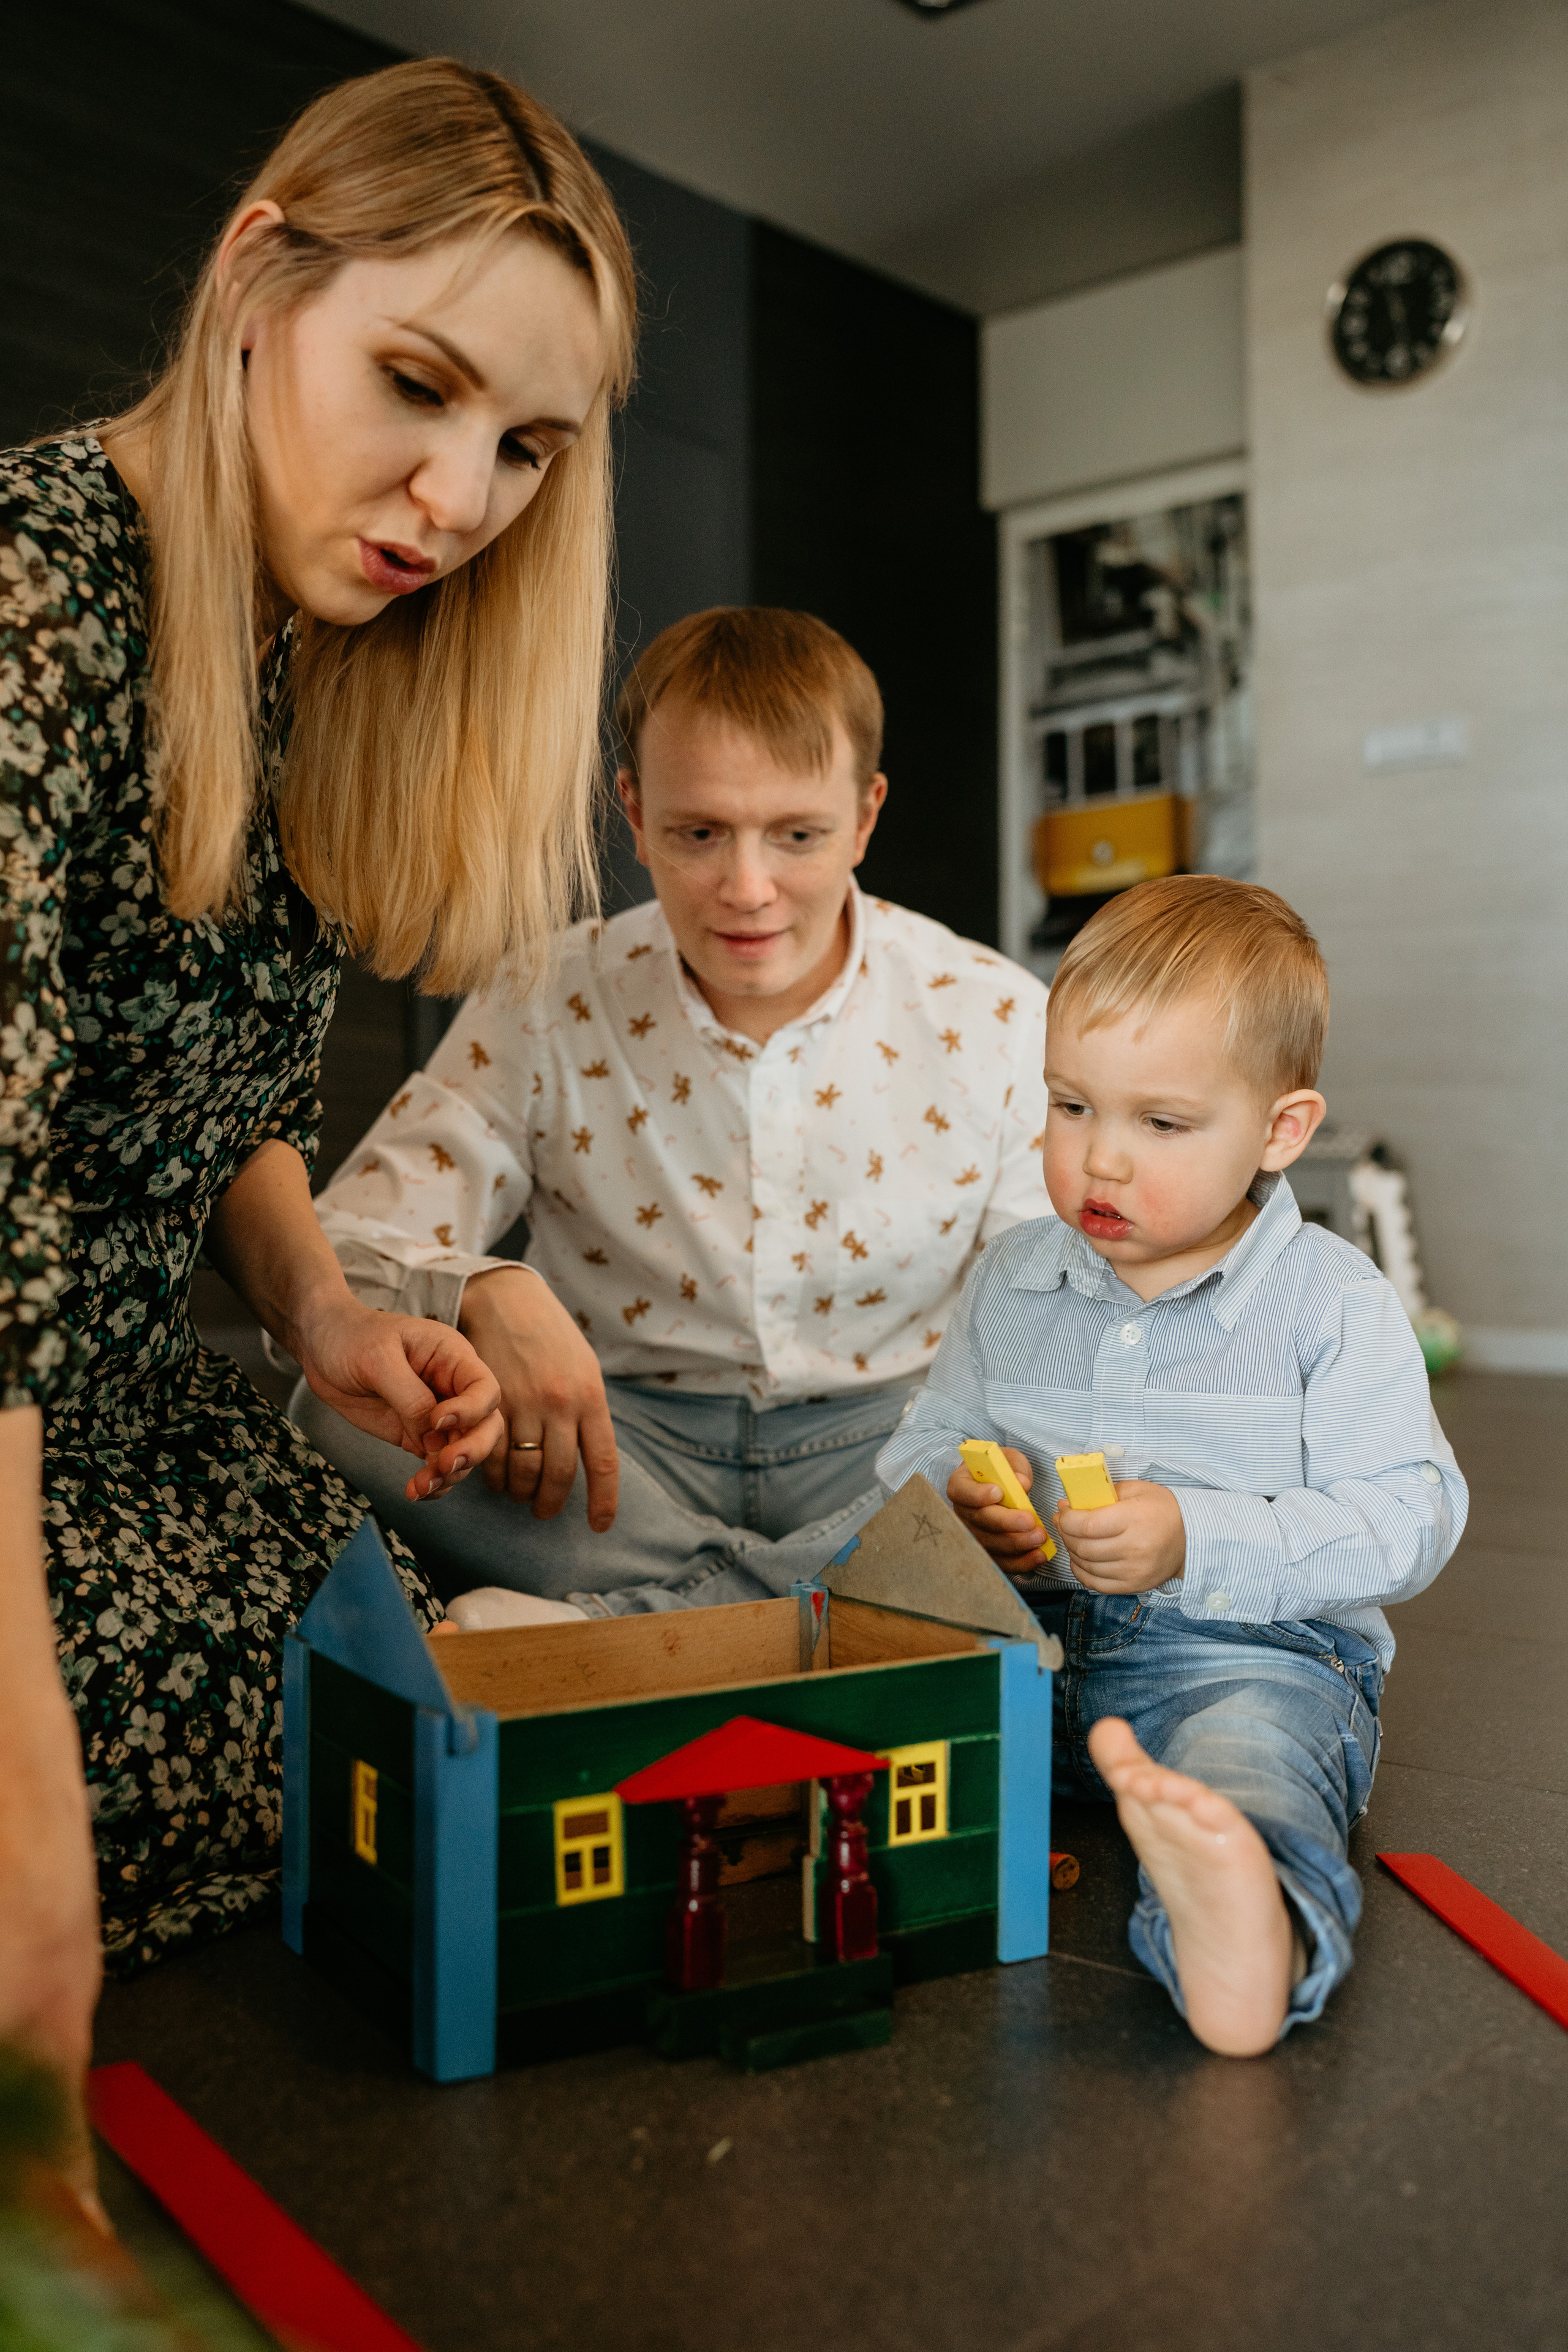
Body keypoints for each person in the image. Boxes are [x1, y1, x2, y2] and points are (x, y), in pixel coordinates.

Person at [0, 56, 636, 2189]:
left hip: (106, 1435)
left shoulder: (294, 651)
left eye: (525, 445)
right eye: (423, 386)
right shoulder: (26, 601)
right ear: (259, 275)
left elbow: (225, 1102)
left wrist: (322, 1314)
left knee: (382, 1668)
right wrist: (29, 1859)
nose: (464, 498)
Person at [292, 607, 1051, 1615]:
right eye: (700, 833)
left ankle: (652, 1623)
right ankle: (815, 1614)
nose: (748, 888)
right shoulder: (545, 994)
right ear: (636, 813)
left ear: (865, 817)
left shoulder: (997, 1014)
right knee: (338, 1406)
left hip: (886, 1441)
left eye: (798, 835)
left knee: (1043, 1437)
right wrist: (481, 1290)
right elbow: (340, 1257)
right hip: (610, 1449)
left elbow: (1047, 1325)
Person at [876, 875, 1466, 2055]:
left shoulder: (1328, 1305)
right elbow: (924, 1434)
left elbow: (1413, 1513)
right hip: (1030, 1651)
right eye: (1071, 1106)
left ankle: (1252, 1921)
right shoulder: (1013, 1278)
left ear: (1279, 1131)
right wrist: (959, 1489)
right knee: (880, 1701)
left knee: (1252, 1765)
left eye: (1161, 1124)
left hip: (1248, 1657)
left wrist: (1199, 1536)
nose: (1099, 1161)